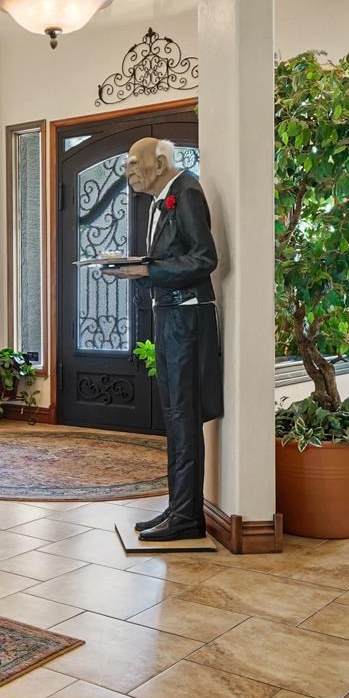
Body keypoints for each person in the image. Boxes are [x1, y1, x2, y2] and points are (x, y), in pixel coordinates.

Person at [102, 137, 223, 540]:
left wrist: (146, 271)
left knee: (183, 417)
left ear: (160, 162)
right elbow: (175, 258)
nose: (128, 172)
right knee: (174, 417)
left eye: (134, 163)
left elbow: (205, 258)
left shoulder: (186, 192)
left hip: (187, 318)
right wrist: (138, 268)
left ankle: (187, 518)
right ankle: (178, 508)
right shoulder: (160, 200)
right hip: (170, 315)